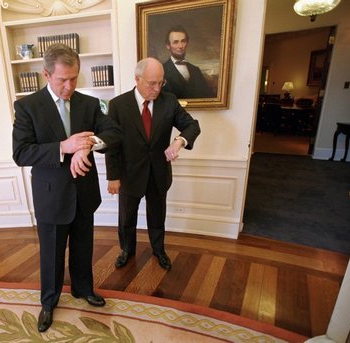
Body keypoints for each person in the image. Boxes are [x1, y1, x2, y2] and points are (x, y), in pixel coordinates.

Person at [12, 43, 122, 333]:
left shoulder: (89, 103)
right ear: (46, 74)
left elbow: (113, 133)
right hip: (51, 196)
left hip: (84, 194)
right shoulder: (27, 106)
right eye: (63, 79)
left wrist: (87, 146)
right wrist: (64, 147)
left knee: (84, 247)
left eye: (74, 78)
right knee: (51, 253)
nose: (69, 86)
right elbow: (21, 153)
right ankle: (49, 301)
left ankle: (83, 289)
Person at [105, 57, 201, 271]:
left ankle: (159, 251)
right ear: (137, 79)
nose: (157, 89)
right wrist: (113, 176)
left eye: (161, 83)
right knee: (126, 218)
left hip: (158, 173)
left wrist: (179, 141)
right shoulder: (118, 105)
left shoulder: (169, 101)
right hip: (129, 175)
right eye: (152, 83)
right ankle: (127, 251)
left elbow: (192, 126)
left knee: (157, 217)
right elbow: (112, 145)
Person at [162, 25, 214, 99]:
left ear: (187, 43)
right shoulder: (161, 71)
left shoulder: (196, 70)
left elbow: (207, 97)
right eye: (175, 42)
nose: (180, 46)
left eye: (183, 41)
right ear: (168, 46)